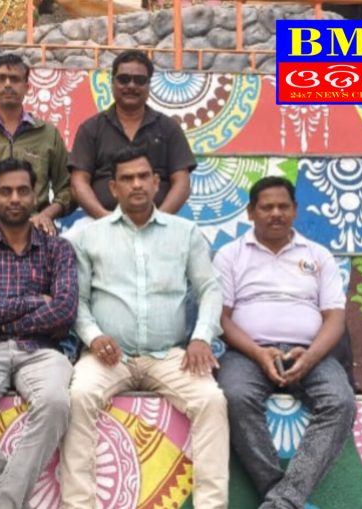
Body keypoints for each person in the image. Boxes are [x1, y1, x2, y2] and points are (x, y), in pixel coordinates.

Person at [61, 145, 228, 509]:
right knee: (78, 397)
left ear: (156, 183)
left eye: (142, 177)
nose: (136, 184)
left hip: (170, 357)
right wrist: (93, 336)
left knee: (212, 401)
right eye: (127, 179)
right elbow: (78, 300)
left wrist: (201, 337)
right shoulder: (88, 236)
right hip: (108, 357)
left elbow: (210, 290)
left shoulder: (185, 233)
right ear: (114, 188)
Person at [213, 176, 355, 509]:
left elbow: (335, 317)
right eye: (267, 207)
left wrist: (311, 356)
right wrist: (258, 353)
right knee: (233, 396)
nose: (276, 213)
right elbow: (222, 318)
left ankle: (280, 502)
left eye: (283, 206)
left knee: (341, 401)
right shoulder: (230, 255)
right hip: (248, 353)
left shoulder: (318, 255)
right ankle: (285, 497)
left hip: (310, 353)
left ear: (295, 210)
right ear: (251, 212)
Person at [0, 158, 77, 508]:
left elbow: (64, 310)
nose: (14, 198)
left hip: (42, 350)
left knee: (55, 403)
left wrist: (5, 323)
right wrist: (36, 301)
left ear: (35, 196)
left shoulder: (58, 248)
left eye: (23, 191)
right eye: (5, 191)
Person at [69, 50, 195, 220]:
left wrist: (157, 220)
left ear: (149, 85)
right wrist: (106, 220)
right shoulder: (91, 129)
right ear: (112, 83)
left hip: (160, 223)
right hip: (100, 223)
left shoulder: (169, 128)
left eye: (139, 80)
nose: (131, 85)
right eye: (124, 79)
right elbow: (78, 182)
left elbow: (182, 182)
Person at [0, 54, 72, 235]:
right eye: (1, 78)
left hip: (35, 223)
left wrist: (46, 215)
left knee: (56, 246)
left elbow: (68, 188)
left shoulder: (48, 134)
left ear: (27, 87)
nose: (8, 84)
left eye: (15, 79)